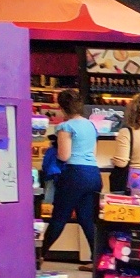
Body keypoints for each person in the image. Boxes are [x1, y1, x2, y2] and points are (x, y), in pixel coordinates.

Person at [41, 89, 101, 268]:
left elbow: (64, 156)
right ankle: (97, 260)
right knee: (87, 219)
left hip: (74, 175)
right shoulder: (91, 126)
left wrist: (52, 152)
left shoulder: (65, 127)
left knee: (59, 216)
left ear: (62, 107)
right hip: (93, 174)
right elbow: (93, 153)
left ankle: (39, 256)